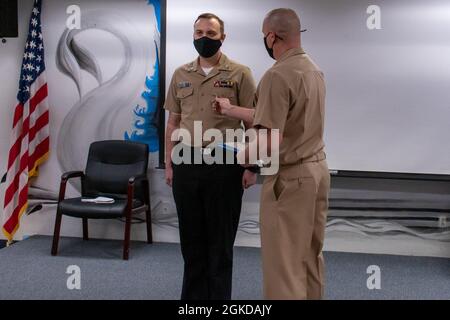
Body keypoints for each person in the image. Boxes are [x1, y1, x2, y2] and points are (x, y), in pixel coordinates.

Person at [214, 8, 330, 300]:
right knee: (309, 257)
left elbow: (269, 138)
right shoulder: (312, 69)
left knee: (284, 266)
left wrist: (240, 155)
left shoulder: (277, 75)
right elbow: (281, 115)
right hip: (316, 173)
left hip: (289, 179)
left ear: (270, 36)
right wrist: (230, 110)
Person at [163, 13, 257, 300]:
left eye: (211, 33)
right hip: (186, 163)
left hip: (224, 164)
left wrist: (252, 166)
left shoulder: (240, 73)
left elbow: (254, 122)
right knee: (191, 242)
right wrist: (169, 163)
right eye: (199, 32)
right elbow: (173, 123)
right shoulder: (180, 74)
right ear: (193, 36)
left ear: (222, 38)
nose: (204, 38)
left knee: (220, 242)